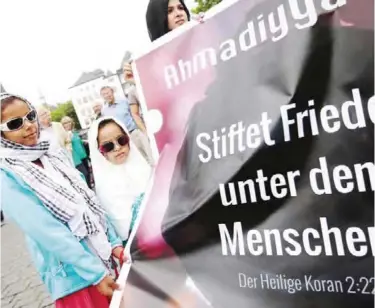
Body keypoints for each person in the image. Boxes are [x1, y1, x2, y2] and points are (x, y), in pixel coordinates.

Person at [0, 93, 126, 307]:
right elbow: (45, 230)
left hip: (103, 260)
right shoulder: (7, 173)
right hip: (76, 278)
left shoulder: (53, 154)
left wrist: (113, 242)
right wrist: (94, 273)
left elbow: (89, 202)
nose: (29, 125)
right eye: (15, 123)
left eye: (30, 116)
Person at [89, 117, 152, 246]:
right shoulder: (105, 188)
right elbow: (122, 227)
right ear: (99, 152)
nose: (117, 148)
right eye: (108, 146)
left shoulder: (147, 169)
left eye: (121, 140)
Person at [100, 86, 154, 166]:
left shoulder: (124, 101)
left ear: (112, 92)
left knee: (150, 153)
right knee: (141, 158)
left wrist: (143, 129)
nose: (107, 95)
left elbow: (135, 114)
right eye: (104, 94)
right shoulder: (104, 111)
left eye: (108, 93)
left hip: (135, 132)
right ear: (102, 97)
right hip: (123, 139)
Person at [61, 116, 91, 187]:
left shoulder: (74, 132)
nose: (68, 124)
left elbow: (79, 142)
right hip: (76, 159)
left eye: (69, 122)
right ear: (62, 125)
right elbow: (66, 146)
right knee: (84, 175)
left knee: (89, 174)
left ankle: (90, 190)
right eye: (65, 123)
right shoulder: (64, 134)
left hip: (83, 156)